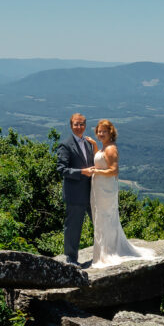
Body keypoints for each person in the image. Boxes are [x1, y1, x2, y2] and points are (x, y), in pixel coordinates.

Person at [83, 119, 157, 269]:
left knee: (105, 216)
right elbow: (101, 160)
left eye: (104, 131)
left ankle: (107, 252)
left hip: (106, 188)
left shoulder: (111, 149)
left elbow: (114, 170)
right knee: (101, 216)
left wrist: (94, 171)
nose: (101, 133)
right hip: (99, 187)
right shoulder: (104, 148)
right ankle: (104, 250)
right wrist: (95, 146)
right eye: (99, 131)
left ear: (111, 132)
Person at [56, 113, 94, 265]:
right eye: (76, 124)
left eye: (82, 124)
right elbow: (61, 169)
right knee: (73, 229)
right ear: (71, 126)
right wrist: (81, 172)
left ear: (85, 125)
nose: (79, 127)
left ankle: (104, 253)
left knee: (99, 224)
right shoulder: (65, 145)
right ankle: (71, 260)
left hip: (91, 193)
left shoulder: (88, 143)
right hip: (75, 194)